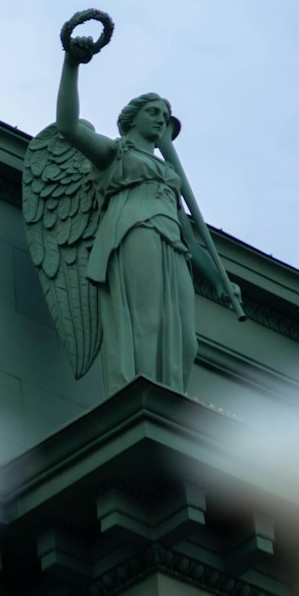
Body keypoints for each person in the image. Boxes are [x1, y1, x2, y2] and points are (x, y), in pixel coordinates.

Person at [55, 33, 235, 392]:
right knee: (146, 321)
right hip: (135, 231)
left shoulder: (170, 175)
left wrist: (217, 279)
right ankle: (138, 397)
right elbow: (68, 127)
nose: (161, 120)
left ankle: (170, 400)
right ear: (131, 119)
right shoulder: (116, 153)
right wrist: (72, 64)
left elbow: (188, 237)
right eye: (153, 112)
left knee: (185, 340)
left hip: (173, 247)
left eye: (165, 116)